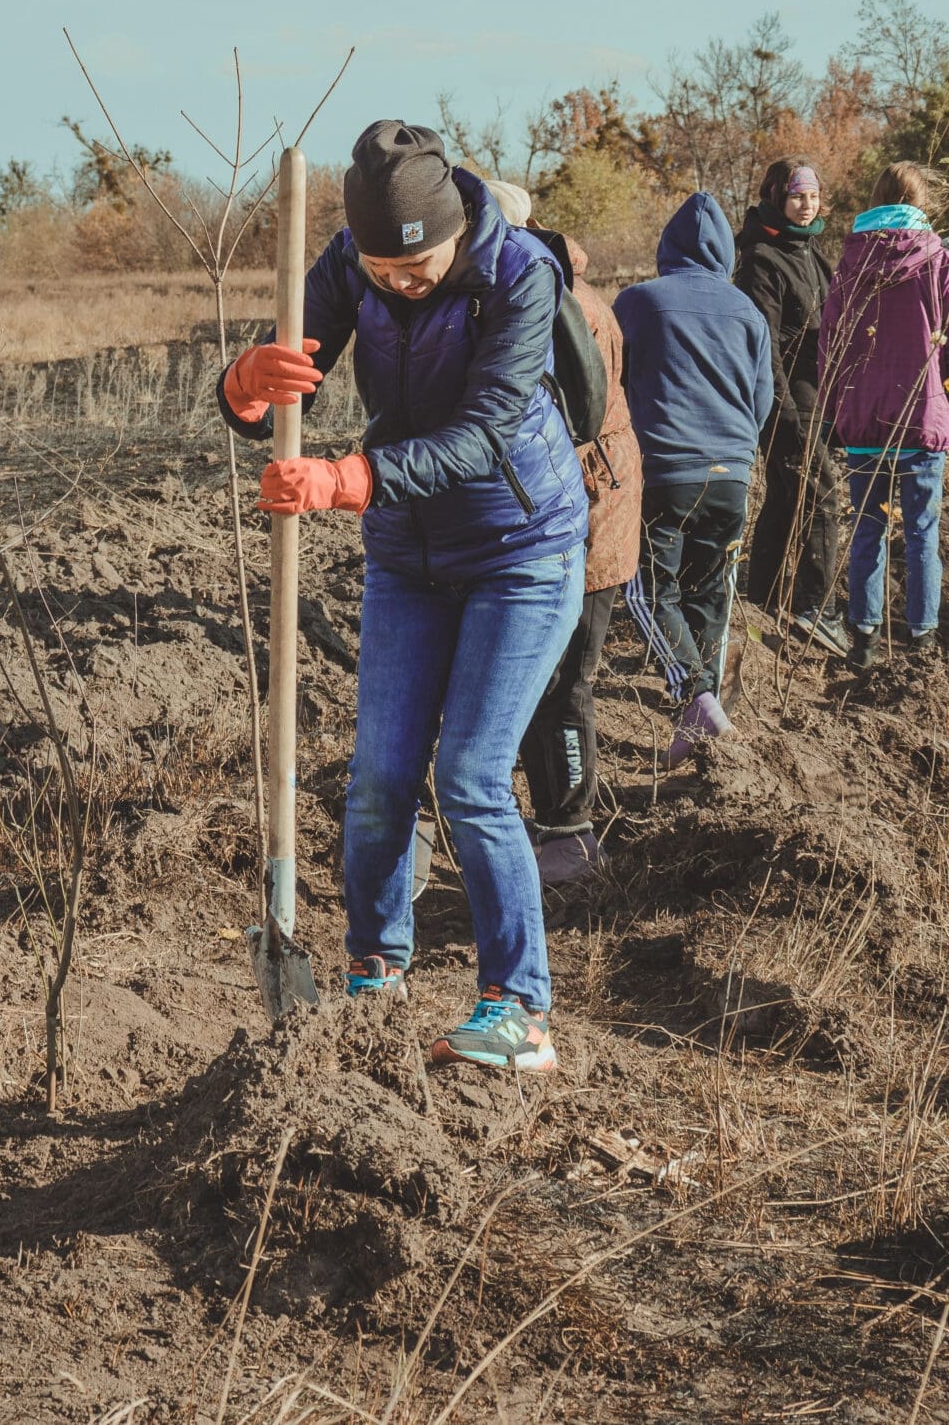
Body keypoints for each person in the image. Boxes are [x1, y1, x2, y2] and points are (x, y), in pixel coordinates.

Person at [218, 122, 587, 1075]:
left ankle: (520, 1009)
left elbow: (486, 435)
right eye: (384, 268)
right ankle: (373, 978)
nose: (400, 283)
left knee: (468, 775)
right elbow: (274, 371)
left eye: (417, 265)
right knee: (379, 778)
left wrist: (345, 480)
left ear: (458, 227)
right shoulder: (351, 263)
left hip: (521, 549)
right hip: (409, 555)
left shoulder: (520, 276)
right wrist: (247, 383)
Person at [478, 180, 643, 887]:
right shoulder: (536, 291)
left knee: (566, 677)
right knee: (536, 678)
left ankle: (571, 837)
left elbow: (574, 417)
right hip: (558, 509)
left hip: (586, 509)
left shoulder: (560, 301)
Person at [614, 193, 775, 763]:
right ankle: (701, 722)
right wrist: (733, 450)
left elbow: (612, 382)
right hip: (732, 473)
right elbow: (763, 399)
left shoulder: (638, 302)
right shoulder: (748, 311)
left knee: (647, 591)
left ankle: (697, 697)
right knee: (709, 592)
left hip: (663, 469)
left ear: (668, 248)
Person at [819, 162, 949, 665]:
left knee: (867, 526)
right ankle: (921, 636)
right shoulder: (942, 264)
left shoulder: (849, 265)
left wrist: (831, 409)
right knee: (921, 533)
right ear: (920, 200)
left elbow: (832, 346)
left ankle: (863, 639)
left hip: (864, 422)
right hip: (922, 419)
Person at [735, 158, 849, 657]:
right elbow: (764, 348)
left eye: (814, 196)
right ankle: (814, 610)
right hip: (786, 403)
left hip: (816, 400)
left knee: (786, 498)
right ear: (776, 197)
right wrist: (782, 413)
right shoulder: (761, 258)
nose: (808, 206)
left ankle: (757, 600)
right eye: (798, 196)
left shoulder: (812, 253)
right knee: (821, 498)